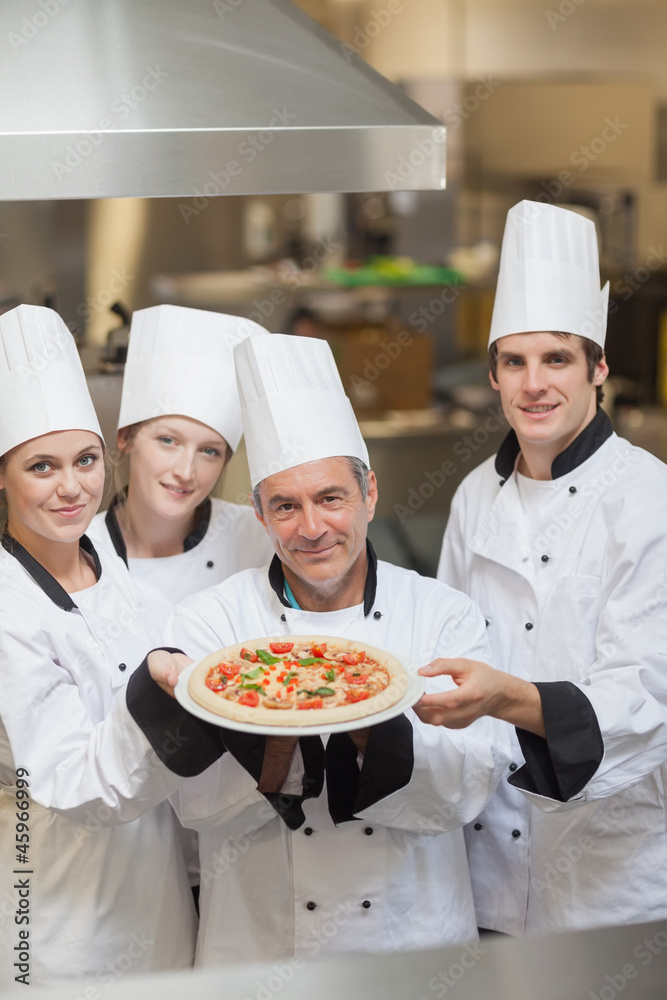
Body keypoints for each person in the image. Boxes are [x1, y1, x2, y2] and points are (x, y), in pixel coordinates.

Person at [127, 332, 513, 966]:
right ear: (259, 515)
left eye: (331, 498)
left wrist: (356, 718)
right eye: (285, 506)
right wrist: (292, 720)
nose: (310, 528)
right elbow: (193, 804)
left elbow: (468, 789)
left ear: (370, 496)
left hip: (412, 942)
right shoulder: (210, 619)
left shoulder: (442, 614)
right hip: (261, 946)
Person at [424, 200, 667, 936]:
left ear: (597, 367)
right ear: (493, 375)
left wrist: (504, 696)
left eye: (556, 359)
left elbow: (644, 699)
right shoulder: (474, 495)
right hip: (488, 855)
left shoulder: (646, 497)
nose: (534, 384)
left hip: (610, 865)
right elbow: (447, 645)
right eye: (514, 361)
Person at [0, 305, 202, 985]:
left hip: (157, 898)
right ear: (2, 475)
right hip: (58, 911)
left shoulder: (104, 563)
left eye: (85, 460)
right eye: (41, 467)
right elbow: (73, 781)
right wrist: (165, 689)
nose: (72, 487)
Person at [88, 304, 273, 634]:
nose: (186, 471)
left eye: (209, 451)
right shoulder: (81, 549)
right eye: (168, 441)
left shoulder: (261, 539)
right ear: (126, 438)